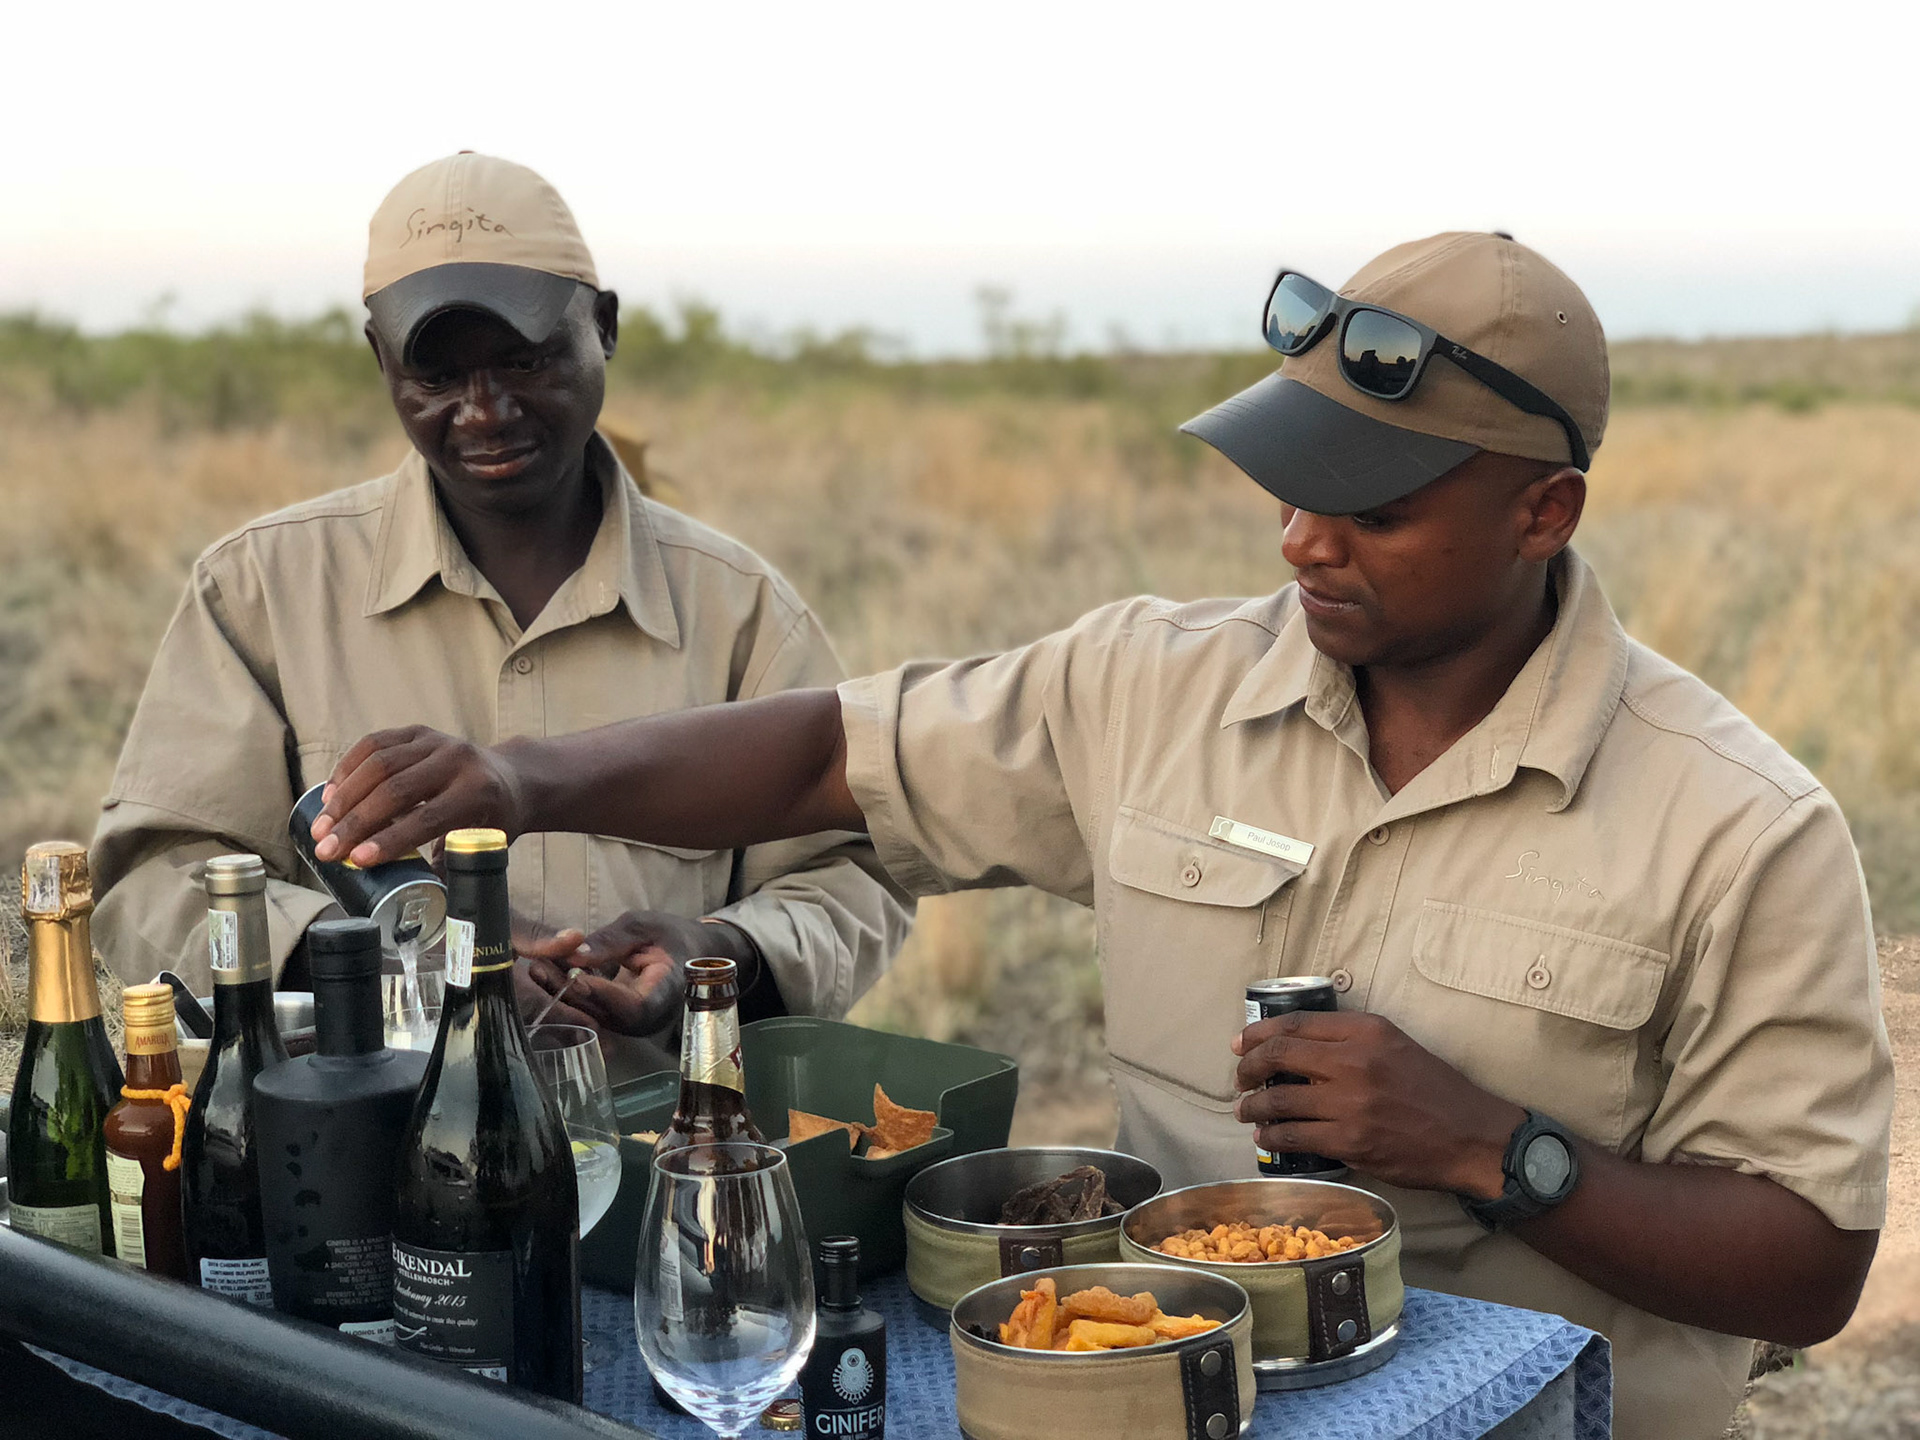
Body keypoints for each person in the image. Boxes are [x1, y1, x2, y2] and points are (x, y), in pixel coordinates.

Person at [307, 233, 1893, 1438]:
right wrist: (523, 782)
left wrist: (1492, 1148)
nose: (1302, 539)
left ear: (1544, 514)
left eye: (1377, 505)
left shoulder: (1734, 826)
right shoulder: (1152, 685)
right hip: (1151, 1396)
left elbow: (1808, 1268)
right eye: (1288, 483)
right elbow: (826, 753)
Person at [90, 152, 911, 1073]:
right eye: (437, 377)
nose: (485, 411)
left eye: (525, 360)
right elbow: (150, 886)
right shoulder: (262, 590)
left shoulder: (741, 608)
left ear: (603, 326)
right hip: (353, 1165)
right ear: (379, 359)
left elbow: (851, 877)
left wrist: (717, 953)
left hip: (655, 1160)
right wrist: (405, 962)